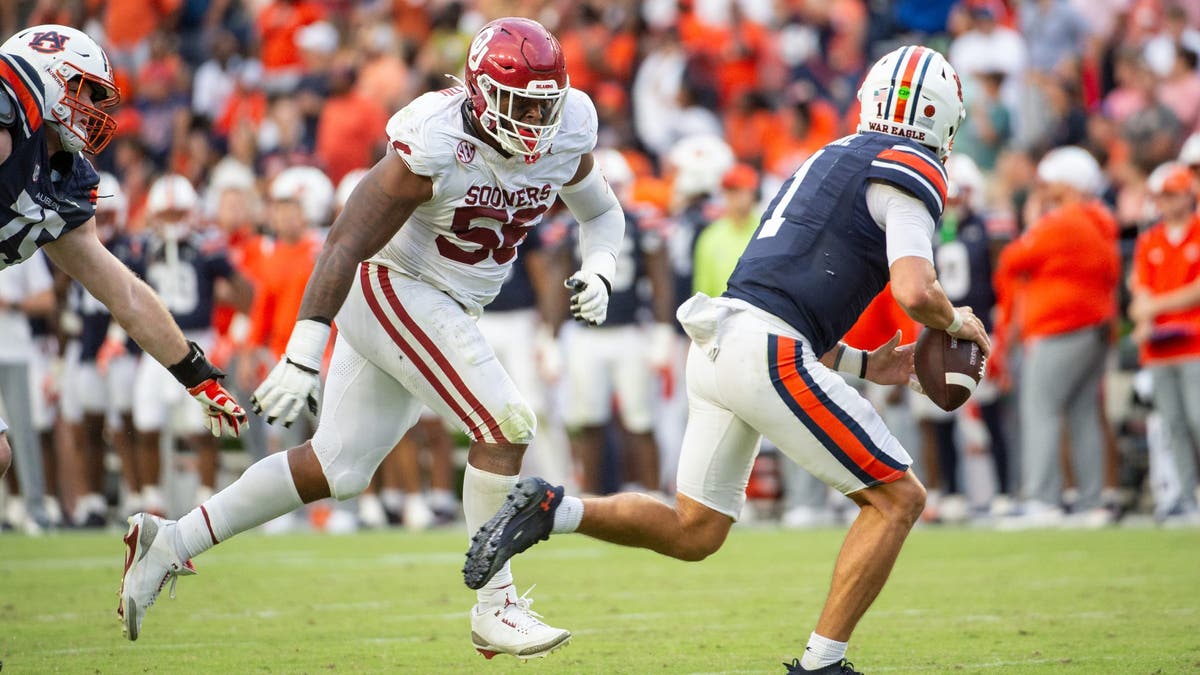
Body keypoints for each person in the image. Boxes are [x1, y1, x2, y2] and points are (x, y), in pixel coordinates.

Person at [464, 45, 990, 674]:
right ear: (944, 119)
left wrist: (862, 365)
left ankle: (555, 509)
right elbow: (914, 289)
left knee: (696, 531)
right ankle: (824, 663)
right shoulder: (912, 168)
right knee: (897, 498)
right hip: (766, 351)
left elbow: (781, 294)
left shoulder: (828, 158)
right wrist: (957, 320)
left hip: (722, 340)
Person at [118, 18, 624, 661]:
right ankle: (495, 608)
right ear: (479, 92)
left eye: (542, 105)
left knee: (340, 467)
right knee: (507, 424)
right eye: (518, 103)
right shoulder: (435, 141)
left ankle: (171, 541)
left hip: (450, 300)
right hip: (393, 282)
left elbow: (602, 212)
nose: (533, 120)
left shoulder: (569, 125)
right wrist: (304, 350)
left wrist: (601, 267)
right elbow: (346, 240)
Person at [0, 24, 246, 529]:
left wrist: (194, 373)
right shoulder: (8, 118)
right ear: (50, 77)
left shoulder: (61, 177)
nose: (94, 109)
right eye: (86, 90)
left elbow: (123, 291)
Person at [993, 146, 1120, 529]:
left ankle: (1042, 498)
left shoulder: (1063, 221)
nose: (1043, 190)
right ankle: (1092, 500)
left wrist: (1033, 221)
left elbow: (1012, 259)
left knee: (1042, 410)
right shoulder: (1100, 219)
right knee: (1082, 414)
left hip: (1060, 327)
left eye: (1050, 183)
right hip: (1094, 326)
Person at [1129, 164, 1200, 525]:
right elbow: (1140, 286)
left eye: (1171, 194)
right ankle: (1186, 497)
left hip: (1194, 343)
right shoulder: (1151, 239)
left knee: (1197, 420)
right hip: (1159, 347)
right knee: (1173, 425)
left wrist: (1154, 306)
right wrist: (1144, 317)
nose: (1166, 202)